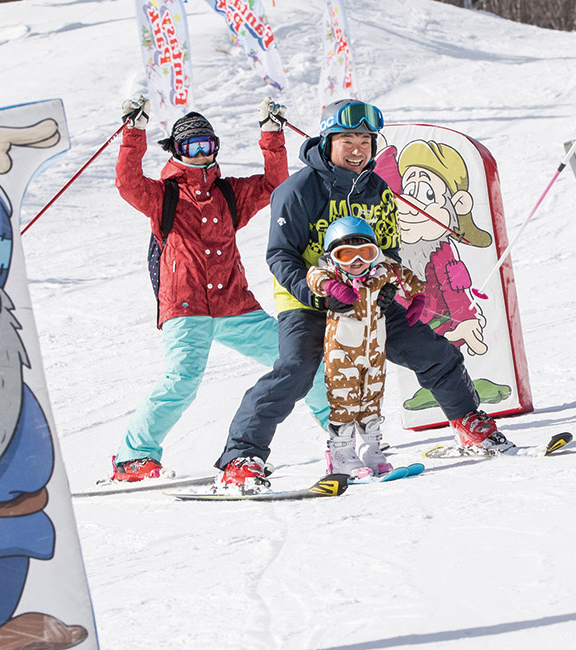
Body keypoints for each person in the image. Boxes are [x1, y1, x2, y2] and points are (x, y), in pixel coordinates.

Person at [213, 99, 517, 494]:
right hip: (309, 301)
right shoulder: (298, 190)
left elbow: (389, 249)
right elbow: (280, 254)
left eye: (365, 140)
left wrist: (390, 287)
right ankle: (241, 458)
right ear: (327, 142)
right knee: (296, 370)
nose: (357, 149)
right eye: (347, 140)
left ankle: (470, 425)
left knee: (432, 350)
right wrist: (316, 293)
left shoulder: (378, 191)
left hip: (367, 299)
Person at [109, 95, 331, 482]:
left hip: (234, 305)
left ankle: (342, 433)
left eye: (206, 146)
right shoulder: (165, 196)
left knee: (301, 362)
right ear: (177, 151)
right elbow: (128, 184)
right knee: (181, 382)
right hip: (185, 305)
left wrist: (272, 134)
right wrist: (134, 132)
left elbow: (274, 185)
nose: (199, 154)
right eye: (190, 147)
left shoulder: (228, 194)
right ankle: (134, 457)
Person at [306, 217, 426, 478]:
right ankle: (341, 454)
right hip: (342, 353)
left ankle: (372, 450)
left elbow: (406, 277)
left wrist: (418, 298)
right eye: (346, 254)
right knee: (344, 401)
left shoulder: (382, 272)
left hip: (374, 351)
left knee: (372, 399)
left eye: (365, 253)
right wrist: (333, 287)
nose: (356, 261)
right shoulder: (333, 274)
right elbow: (313, 276)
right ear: (333, 257)